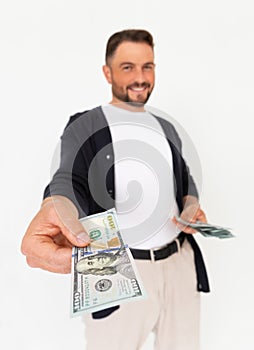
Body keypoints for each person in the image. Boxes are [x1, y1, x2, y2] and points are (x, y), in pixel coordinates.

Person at [21, 29, 210, 350]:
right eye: (128, 67)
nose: (140, 77)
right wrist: (55, 202)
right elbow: (69, 177)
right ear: (107, 72)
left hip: (180, 264)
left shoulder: (166, 127)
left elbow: (184, 180)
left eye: (147, 66)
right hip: (119, 268)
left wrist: (190, 203)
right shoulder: (86, 124)